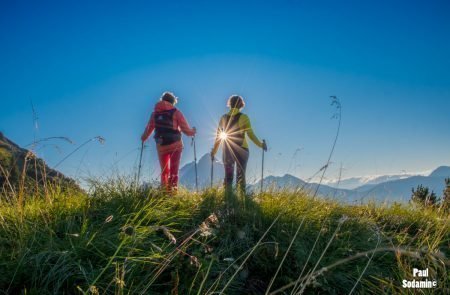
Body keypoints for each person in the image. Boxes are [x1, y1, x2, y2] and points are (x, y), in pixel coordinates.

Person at [141, 91, 196, 192]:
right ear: (173, 101)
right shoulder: (176, 112)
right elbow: (186, 130)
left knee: (164, 171)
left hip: (161, 147)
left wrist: (143, 138)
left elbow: (148, 130)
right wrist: (193, 131)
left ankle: (164, 194)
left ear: (162, 100)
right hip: (176, 145)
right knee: (174, 171)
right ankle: (173, 194)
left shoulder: (154, 114)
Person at [211, 95, 267, 194]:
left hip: (227, 149)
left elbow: (218, 137)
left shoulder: (223, 118)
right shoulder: (244, 117)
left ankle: (228, 199)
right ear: (241, 105)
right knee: (241, 175)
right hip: (242, 150)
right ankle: (242, 199)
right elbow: (251, 135)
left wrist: (213, 152)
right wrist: (261, 145)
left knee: (228, 176)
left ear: (229, 104)